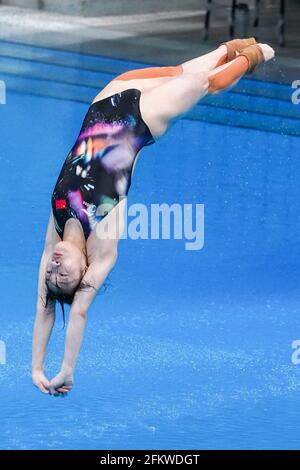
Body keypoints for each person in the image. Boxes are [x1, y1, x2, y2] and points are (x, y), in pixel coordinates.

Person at [32, 39, 275, 396]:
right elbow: (78, 313)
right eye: (63, 274)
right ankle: (256, 54)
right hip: (143, 119)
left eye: (50, 273)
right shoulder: (102, 245)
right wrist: (66, 369)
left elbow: (45, 311)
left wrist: (36, 366)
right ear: (84, 272)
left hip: (107, 98)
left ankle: (235, 46)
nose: (54, 266)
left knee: (183, 71)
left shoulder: (55, 229)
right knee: (209, 83)